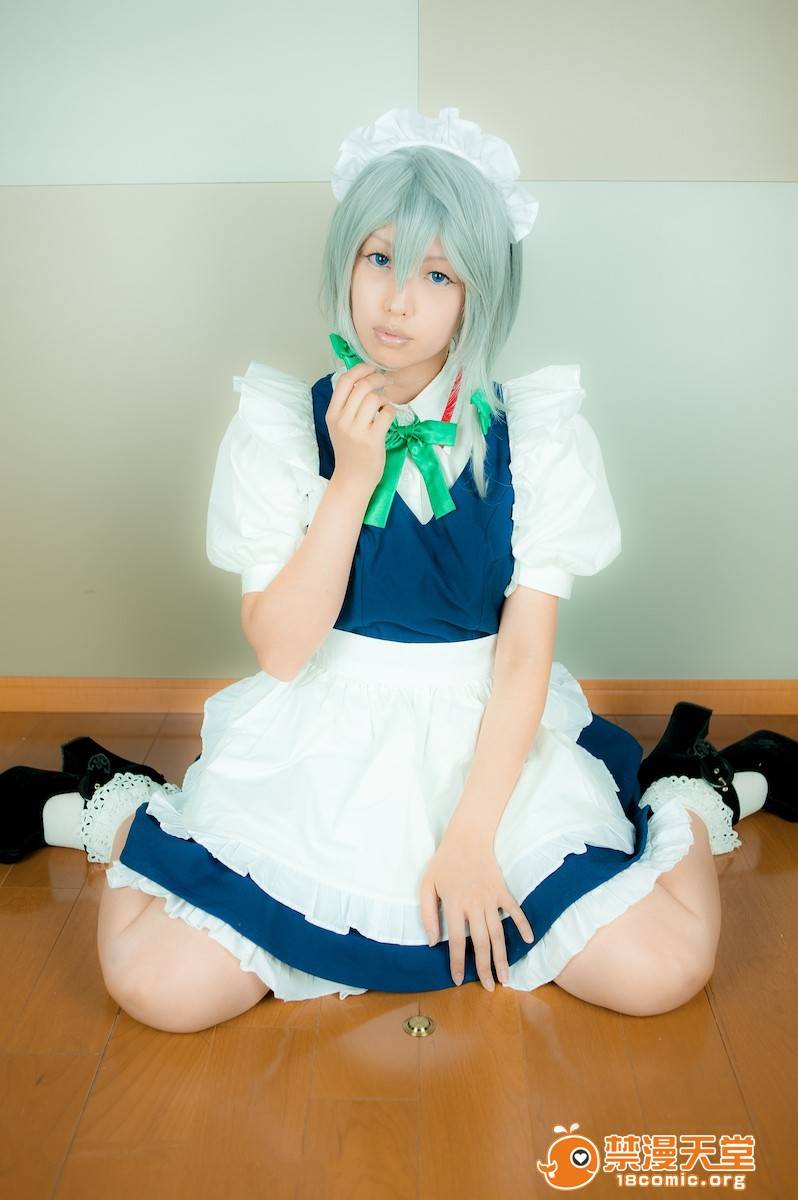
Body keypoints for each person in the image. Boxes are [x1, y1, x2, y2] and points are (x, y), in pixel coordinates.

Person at [2, 108, 794, 1033]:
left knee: (663, 970)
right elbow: (283, 652)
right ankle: (121, 802)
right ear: (345, 260)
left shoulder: (537, 437)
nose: (397, 301)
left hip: (487, 733)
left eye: (437, 274)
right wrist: (351, 479)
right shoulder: (281, 429)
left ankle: (688, 790)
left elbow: (523, 656)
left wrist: (472, 838)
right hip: (322, 729)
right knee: (158, 988)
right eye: (379, 258)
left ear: (478, 294)